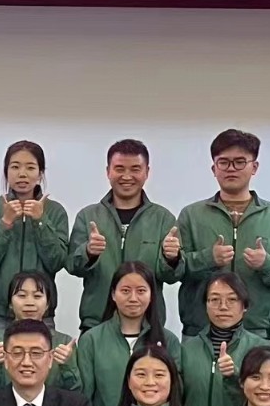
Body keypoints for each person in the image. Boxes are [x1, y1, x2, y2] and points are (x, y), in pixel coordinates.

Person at [174, 129, 270, 338]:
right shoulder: (192, 215)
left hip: (258, 331)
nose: (231, 169)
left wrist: (267, 263)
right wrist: (208, 258)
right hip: (200, 331)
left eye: (240, 162)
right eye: (224, 162)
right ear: (214, 168)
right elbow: (175, 271)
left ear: (254, 167)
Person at [66, 139, 184, 332]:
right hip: (96, 324)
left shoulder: (163, 219)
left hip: (148, 326)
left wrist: (172, 259)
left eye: (135, 169)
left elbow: (173, 276)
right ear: (108, 171)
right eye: (119, 169)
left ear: (147, 172)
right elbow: (72, 265)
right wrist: (89, 253)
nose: (127, 176)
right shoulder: (88, 216)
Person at [69, 261, 180, 406]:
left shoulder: (168, 341)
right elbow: (84, 397)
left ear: (151, 295)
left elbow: (177, 394)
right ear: (113, 294)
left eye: (141, 291)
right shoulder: (91, 340)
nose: (133, 298)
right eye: (125, 291)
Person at [0, 141, 69, 337]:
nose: (22, 174)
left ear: (40, 174)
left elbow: (57, 261)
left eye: (30, 168)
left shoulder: (55, 211)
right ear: (6, 172)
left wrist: (40, 221)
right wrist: (5, 223)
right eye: (15, 167)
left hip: (42, 314)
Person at [178, 273, 270, 406]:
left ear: (245, 306)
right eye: (215, 300)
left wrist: (235, 375)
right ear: (206, 305)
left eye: (232, 299)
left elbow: (268, 398)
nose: (223, 307)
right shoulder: (186, 350)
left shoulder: (262, 349)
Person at [0, 271, 79, 392]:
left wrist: (66, 366)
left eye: (37, 296)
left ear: (47, 304)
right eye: (22, 296)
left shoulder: (63, 343)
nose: (29, 303)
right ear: (10, 303)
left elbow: (76, 391)